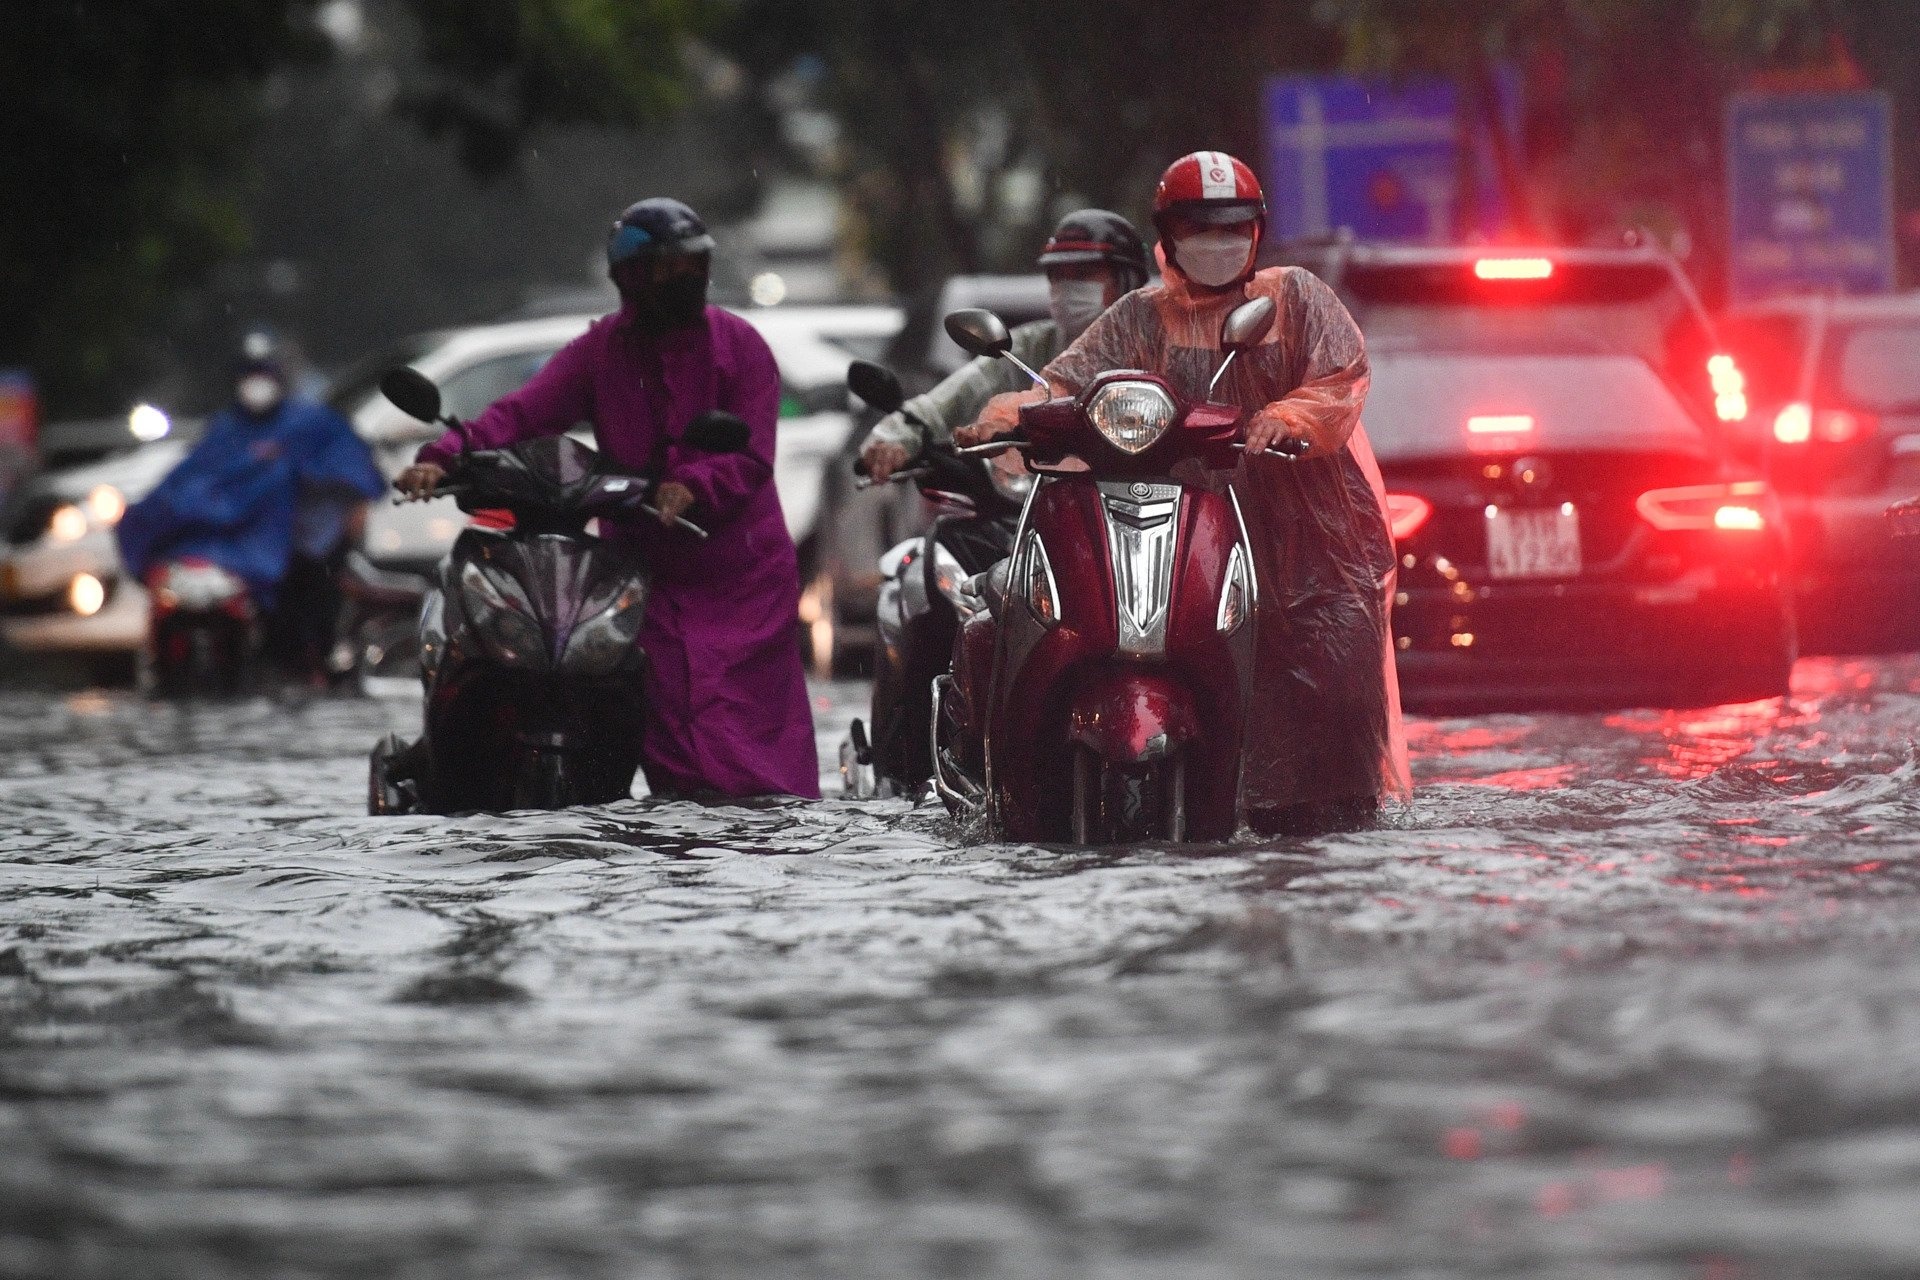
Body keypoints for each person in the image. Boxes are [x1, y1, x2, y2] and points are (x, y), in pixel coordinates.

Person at [960, 151, 1410, 833]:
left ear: (1256, 231)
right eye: (1198, 227)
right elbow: (1067, 380)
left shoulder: (1294, 296)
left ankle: (1331, 829)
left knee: (1332, 698)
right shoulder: (1141, 316)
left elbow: (1339, 379)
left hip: (1316, 541)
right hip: (1197, 528)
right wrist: (1011, 411)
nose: (1217, 242)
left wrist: (1288, 417)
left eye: (1232, 227)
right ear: (1167, 234)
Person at [395, 197, 819, 799]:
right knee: (664, 712)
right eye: (662, 271)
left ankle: (762, 838)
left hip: (739, 573)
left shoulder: (742, 348)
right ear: (627, 279)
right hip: (642, 565)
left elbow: (751, 457)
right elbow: (522, 413)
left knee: (752, 731)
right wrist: (442, 459)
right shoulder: (600, 352)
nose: (678, 282)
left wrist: (692, 487)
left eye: (689, 268)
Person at [117, 335, 386, 674]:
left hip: (291, 550)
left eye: (264, 374)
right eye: (250, 374)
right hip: (225, 551)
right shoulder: (225, 430)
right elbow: (189, 484)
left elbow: (355, 474)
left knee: (304, 620)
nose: (256, 385)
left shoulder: (309, 424)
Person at [858, 208, 1149, 482]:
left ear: (1128, 281)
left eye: (1083, 275)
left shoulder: (1161, 345)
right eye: (1057, 277)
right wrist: (895, 436)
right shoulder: (1027, 348)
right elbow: (951, 399)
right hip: (1039, 499)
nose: (1066, 288)